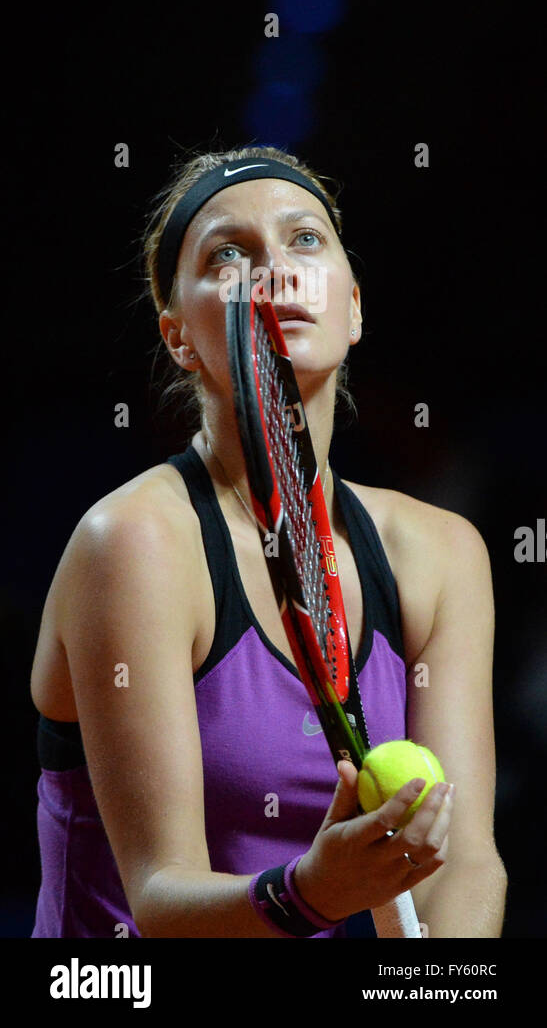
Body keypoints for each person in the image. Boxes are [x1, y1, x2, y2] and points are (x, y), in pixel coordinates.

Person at [30, 144, 507, 938]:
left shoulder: (441, 554)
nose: (273, 271)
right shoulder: (133, 543)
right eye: (228, 253)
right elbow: (158, 898)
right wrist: (313, 891)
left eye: (304, 240)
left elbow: (464, 862)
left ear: (352, 308)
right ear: (178, 336)